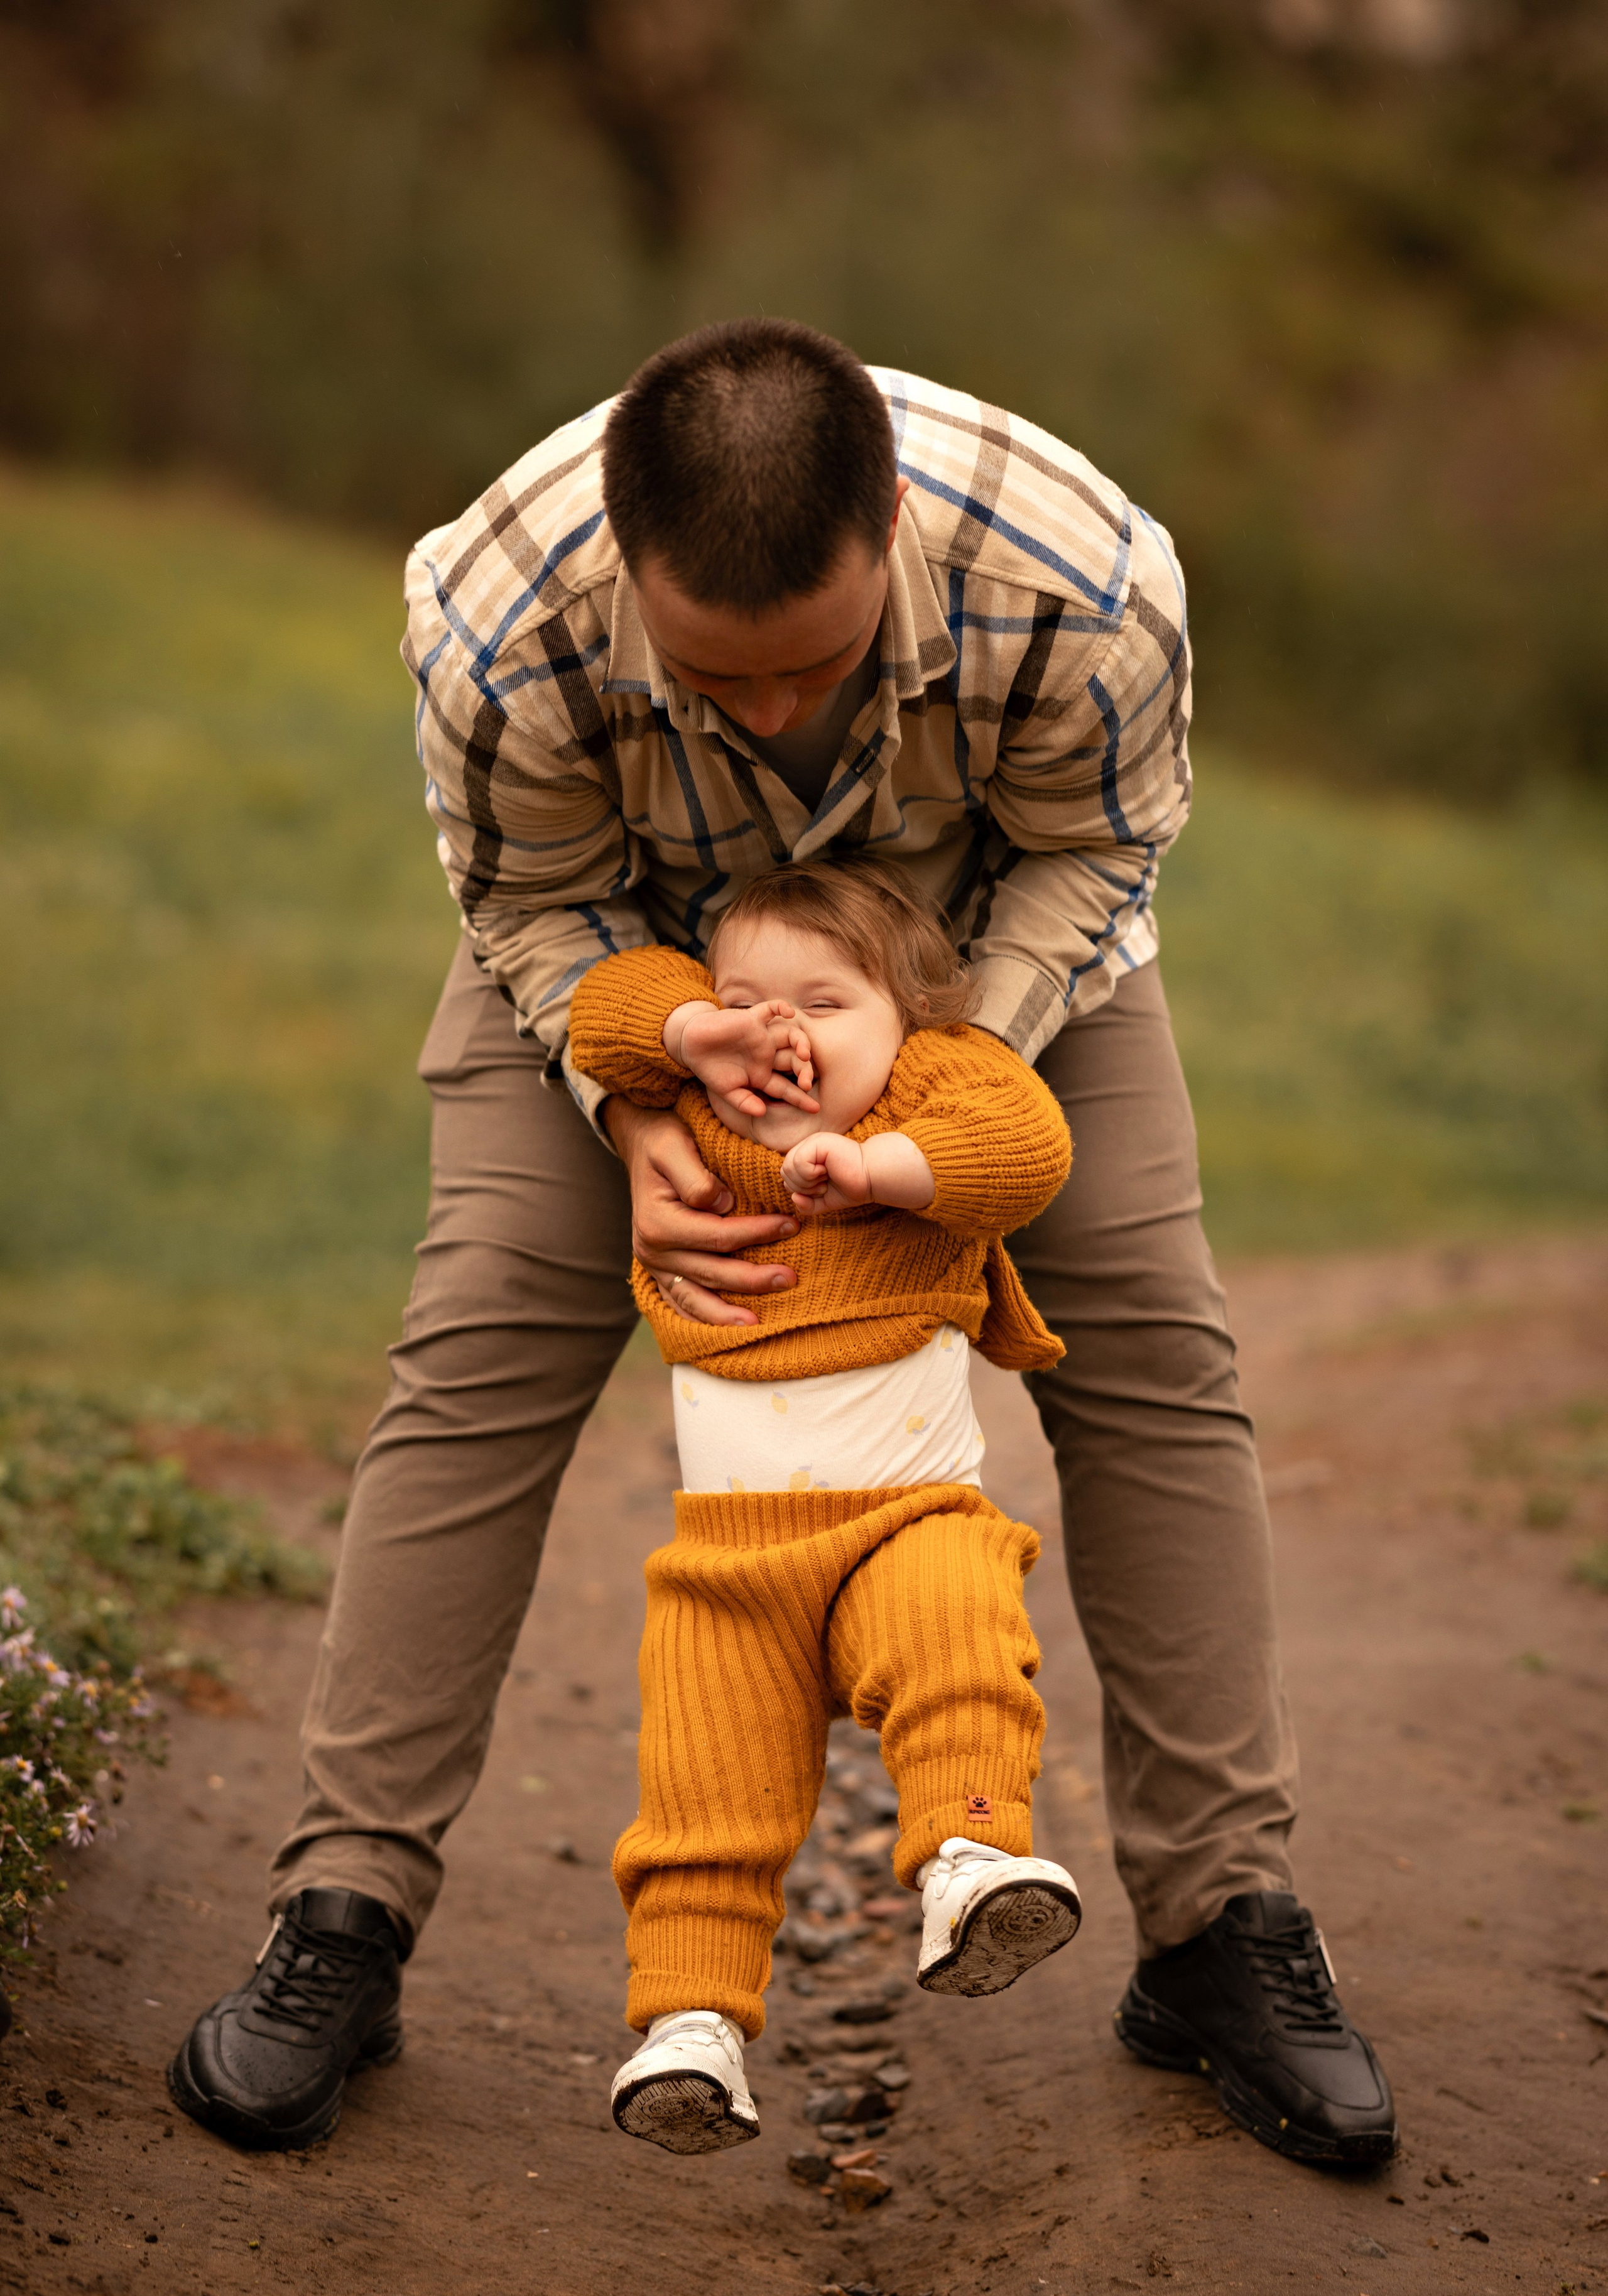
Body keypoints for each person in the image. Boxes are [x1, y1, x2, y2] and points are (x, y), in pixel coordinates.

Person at [168, 317, 1397, 2167]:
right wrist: (650, 1105)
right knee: (486, 1334)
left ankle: (1224, 1923)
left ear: (893, 532)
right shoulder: (494, 620)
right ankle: (342, 1910)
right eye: (706, 682)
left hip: (980, 965)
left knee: (1151, 1338)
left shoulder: (1091, 580)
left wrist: (924, 1093)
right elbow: (530, 895)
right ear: (622, 561)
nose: (758, 720)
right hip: (633, 975)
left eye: (806, 673)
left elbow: (1098, 852)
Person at [567, 857, 1081, 2153]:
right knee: (701, 1799)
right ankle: (690, 2023)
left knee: (959, 1643)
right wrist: (692, 1027)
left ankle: (973, 1862)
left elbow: (1028, 1144)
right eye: (746, 999)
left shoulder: (930, 1098)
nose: (776, 1032)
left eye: (822, 1002)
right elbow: (606, 1001)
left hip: (905, 1515)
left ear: (911, 1025)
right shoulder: (693, 1096)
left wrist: (883, 1169)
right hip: (726, 1561)